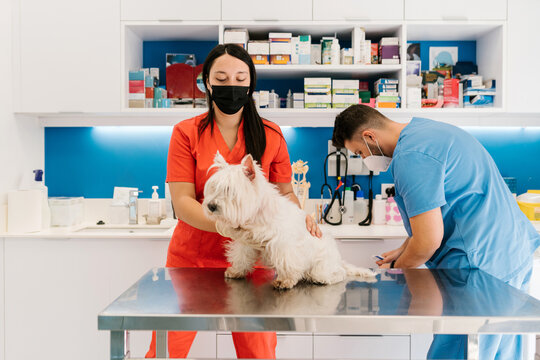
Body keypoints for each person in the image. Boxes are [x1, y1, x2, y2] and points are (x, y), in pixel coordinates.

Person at [145, 44, 321, 359]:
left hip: (255, 260)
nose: (232, 86)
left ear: (251, 84)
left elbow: (285, 193)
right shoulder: (186, 133)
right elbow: (183, 202)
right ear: (207, 83)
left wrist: (300, 218)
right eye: (222, 78)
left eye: (241, 78)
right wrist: (231, 229)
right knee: (166, 350)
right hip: (193, 260)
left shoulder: (271, 134)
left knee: (258, 351)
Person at [331, 104, 540, 360]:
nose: (364, 159)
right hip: (511, 254)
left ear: (370, 136)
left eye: (359, 152)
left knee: (461, 350)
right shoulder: (427, 131)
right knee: (502, 351)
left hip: (480, 267)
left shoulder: (411, 158)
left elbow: (428, 241)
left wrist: (398, 268)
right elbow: (435, 210)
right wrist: (404, 249)